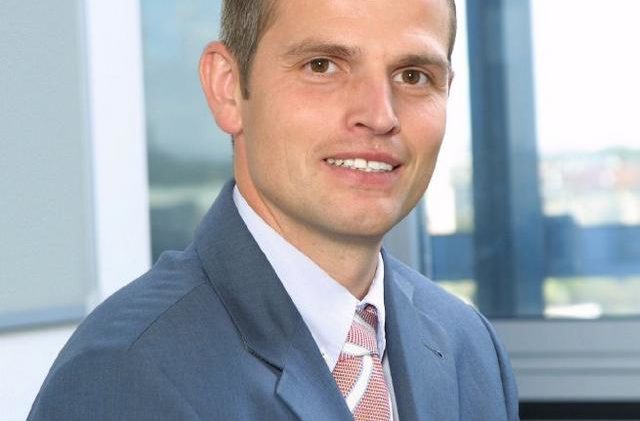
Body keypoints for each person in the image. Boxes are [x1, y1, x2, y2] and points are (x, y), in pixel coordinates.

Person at [29, 0, 518, 419]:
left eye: (414, 76)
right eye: (322, 66)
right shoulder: (125, 373)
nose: (379, 115)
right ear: (228, 88)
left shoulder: (470, 347)